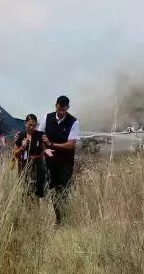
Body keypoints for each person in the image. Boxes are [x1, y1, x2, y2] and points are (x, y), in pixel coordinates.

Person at [38, 95, 79, 224]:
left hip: (65, 163)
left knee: (62, 191)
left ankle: (63, 220)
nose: (61, 113)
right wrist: (45, 145)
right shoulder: (47, 117)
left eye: (64, 110)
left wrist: (52, 145)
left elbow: (71, 144)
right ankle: (53, 219)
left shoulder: (73, 122)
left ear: (68, 108)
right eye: (60, 109)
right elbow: (39, 133)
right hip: (49, 162)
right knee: (50, 190)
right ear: (56, 105)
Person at [12, 114, 47, 199]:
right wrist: (22, 147)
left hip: (37, 167)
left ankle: (36, 211)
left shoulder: (40, 135)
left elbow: (45, 150)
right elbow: (16, 154)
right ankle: (27, 211)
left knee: (36, 194)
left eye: (34, 125)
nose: (31, 127)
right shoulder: (20, 135)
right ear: (25, 123)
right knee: (25, 192)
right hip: (24, 167)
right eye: (29, 125)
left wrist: (47, 148)